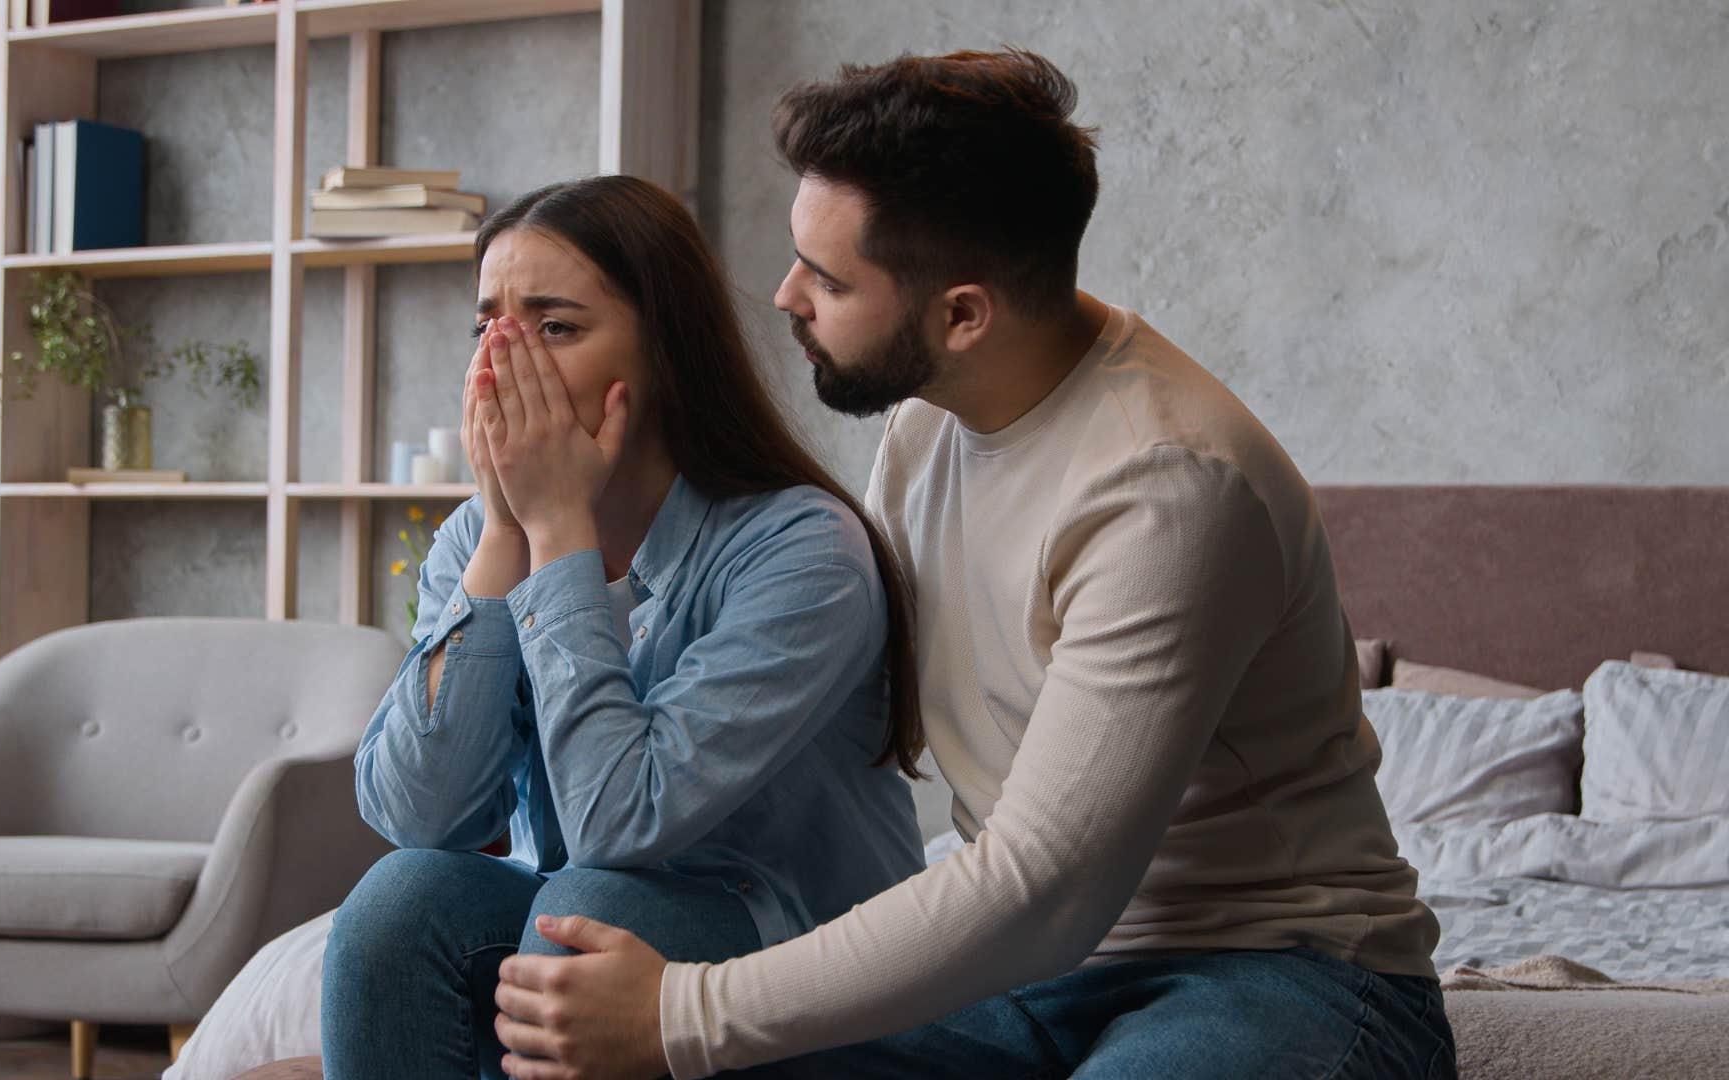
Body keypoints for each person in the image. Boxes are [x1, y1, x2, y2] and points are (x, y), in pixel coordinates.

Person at [489, 50, 1459, 1080]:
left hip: (1275, 969)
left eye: (826, 277)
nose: (784, 298)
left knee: (680, 1033)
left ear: (962, 315)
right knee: (580, 998)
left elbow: (1041, 884)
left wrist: (686, 1012)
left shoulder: (1169, 486)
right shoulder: (924, 430)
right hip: (1022, 981)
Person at [319, 175, 927, 1080]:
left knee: (591, 913)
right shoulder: (476, 536)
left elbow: (618, 823)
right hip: (579, 911)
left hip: (808, 972)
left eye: (554, 327)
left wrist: (558, 531)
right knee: (402, 901)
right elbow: (417, 813)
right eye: (487, 325)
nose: (500, 362)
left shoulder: (802, 551)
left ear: (663, 354)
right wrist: (504, 537)